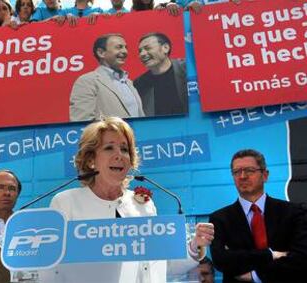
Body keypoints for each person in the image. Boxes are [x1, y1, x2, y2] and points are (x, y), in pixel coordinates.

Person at [39, 116, 214, 282]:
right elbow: (52, 268)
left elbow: (160, 264)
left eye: (124, 149)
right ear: (91, 159)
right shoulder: (66, 202)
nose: (120, 155)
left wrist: (194, 246)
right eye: (109, 148)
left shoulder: (144, 205)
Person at [209, 149, 307, 282]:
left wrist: (256, 275)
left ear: (265, 175)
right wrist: (271, 254)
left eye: (249, 170)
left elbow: (301, 258)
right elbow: (221, 260)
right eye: (237, 172)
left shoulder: (293, 212)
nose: (242, 176)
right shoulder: (219, 219)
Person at [69, 33, 145, 121]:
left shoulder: (129, 83)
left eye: (125, 47)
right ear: (101, 53)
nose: (125, 51)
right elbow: (82, 122)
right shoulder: (87, 81)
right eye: (119, 47)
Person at [134, 32, 188, 116]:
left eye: (147, 48)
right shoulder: (139, 84)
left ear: (165, 48)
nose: (142, 54)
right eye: (140, 51)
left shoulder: (187, 69)